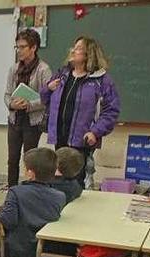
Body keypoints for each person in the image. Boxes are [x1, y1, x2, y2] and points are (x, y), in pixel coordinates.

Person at [41, 36, 120, 189]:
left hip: (82, 140)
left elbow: (111, 110)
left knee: (76, 182)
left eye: (77, 48)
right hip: (60, 136)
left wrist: (95, 132)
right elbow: (45, 99)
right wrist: (47, 88)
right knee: (58, 179)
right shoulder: (62, 74)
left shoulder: (101, 80)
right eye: (74, 47)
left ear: (88, 55)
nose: (72, 51)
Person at [0, 148, 66, 257]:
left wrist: (2, 213)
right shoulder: (60, 197)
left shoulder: (16, 192)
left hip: (20, 252)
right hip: (50, 253)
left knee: (12, 235)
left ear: (30, 173)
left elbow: (8, 220)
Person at [5, 29, 52, 187]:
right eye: (17, 47)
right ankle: (12, 192)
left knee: (30, 160)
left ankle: (28, 192)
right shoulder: (14, 69)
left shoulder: (43, 70)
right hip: (14, 120)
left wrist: (29, 105)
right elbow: (7, 94)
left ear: (33, 48)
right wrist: (11, 104)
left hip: (32, 123)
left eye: (23, 47)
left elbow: (47, 97)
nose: (19, 50)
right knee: (12, 160)